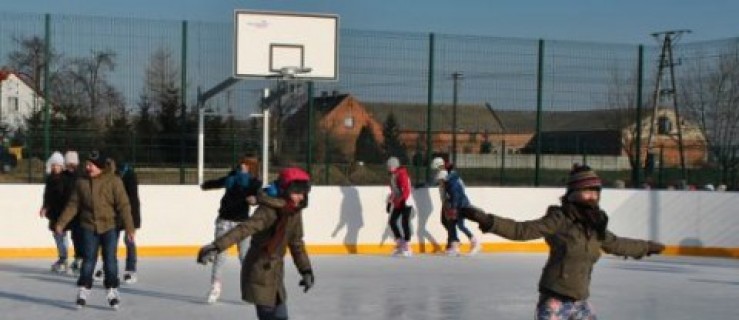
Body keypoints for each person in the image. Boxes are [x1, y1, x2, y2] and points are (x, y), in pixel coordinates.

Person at [463, 164, 666, 319]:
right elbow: (521, 230)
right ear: (574, 193)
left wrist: (646, 247)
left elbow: (618, 244)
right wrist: (487, 220)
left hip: (581, 302)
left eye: (596, 192)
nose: (593, 196)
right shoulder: (559, 219)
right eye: (588, 191)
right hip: (555, 300)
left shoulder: (595, 224)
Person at [196, 167, 314, 320]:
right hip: (259, 270)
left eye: (303, 193)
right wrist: (216, 246)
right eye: (297, 192)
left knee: (281, 316)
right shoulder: (268, 210)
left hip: (276, 274)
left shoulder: (293, 211)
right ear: (285, 190)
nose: (300, 197)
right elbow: (245, 228)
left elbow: (296, 243)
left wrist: (306, 270)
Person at [55, 151, 135, 310]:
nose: (87, 167)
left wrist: (129, 228)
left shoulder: (114, 181)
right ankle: (84, 289)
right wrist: (61, 223)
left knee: (110, 260)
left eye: (90, 164)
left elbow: (124, 206)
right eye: (87, 164)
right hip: (89, 226)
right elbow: (73, 205)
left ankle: (112, 290)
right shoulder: (82, 182)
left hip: (109, 226)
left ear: (99, 166)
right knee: (88, 259)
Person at [200, 157, 262, 303]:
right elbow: (218, 182)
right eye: (241, 163)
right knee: (220, 255)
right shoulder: (231, 178)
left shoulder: (254, 183)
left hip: (242, 225)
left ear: (252, 168)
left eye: (246, 164)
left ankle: (251, 289)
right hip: (224, 221)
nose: (242, 165)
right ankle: (215, 287)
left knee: (245, 257)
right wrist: (205, 185)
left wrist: (255, 200)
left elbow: (258, 196)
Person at [430, 157, 481, 256]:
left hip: (457, 204)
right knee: (454, 224)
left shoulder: (449, 180)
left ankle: (456, 244)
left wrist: (453, 207)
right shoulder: (447, 177)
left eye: (441, 181)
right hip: (453, 203)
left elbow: (455, 194)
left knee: (454, 224)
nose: (439, 182)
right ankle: (457, 243)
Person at [39, 151, 73, 273]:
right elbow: (47, 194)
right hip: (54, 211)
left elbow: (68, 195)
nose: (55, 167)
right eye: (53, 165)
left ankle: (65, 258)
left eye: (57, 165)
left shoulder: (66, 178)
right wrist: (44, 207)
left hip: (64, 211)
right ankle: (62, 257)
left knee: (62, 234)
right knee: (57, 235)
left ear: (62, 166)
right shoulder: (50, 179)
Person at [385, 156, 413, 257]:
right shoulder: (393, 175)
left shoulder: (402, 174)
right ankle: (400, 243)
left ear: (394, 166)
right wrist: (390, 202)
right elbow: (394, 191)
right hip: (398, 201)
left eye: (389, 166)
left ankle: (407, 245)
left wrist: (403, 200)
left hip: (406, 201)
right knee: (392, 221)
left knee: (404, 222)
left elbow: (406, 189)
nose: (388, 167)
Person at [63, 150, 85, 274]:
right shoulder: (63, 176)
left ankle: (82, 258)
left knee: (81, 236)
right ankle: (78, 258)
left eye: (73, 163)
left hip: (81, 211)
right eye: (68, 163)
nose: (70, 166)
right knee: (74, 236)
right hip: (70, 211)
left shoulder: (81, 176)